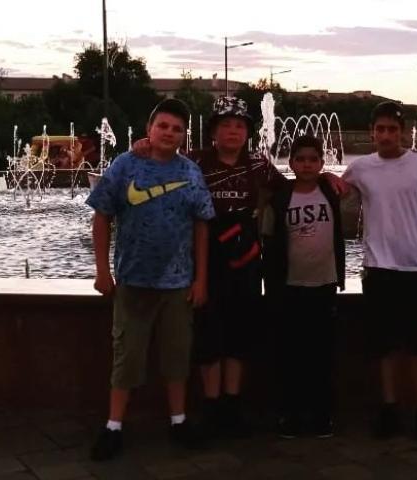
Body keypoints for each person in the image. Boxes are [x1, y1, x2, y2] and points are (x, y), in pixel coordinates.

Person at [131, 96, 346, 438]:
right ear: (213, 130)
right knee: (208, 335)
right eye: (225, 125)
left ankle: (231, 405)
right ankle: (211, 405)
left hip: (245, 263)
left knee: (239, 333)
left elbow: (296, 186)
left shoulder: (259, 165)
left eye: (240, 125)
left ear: (248, 132)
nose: (233, 131)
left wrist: (326, 177)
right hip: (204, 260)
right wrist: (143, 146)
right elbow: (159, 159)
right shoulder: (194, 161)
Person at [87, 98, 215, 460]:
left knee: (177, 356)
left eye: (177, 129)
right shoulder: (125, 165)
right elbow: (101, 216)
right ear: (149, 129)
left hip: (178, 285)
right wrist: (102, 270)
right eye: (163, 126)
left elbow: (201, 225)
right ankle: (113, 426)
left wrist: (201, 280)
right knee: (126, 356)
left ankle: (178, 421)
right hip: (133, 282)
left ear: (184, 135)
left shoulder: (190, 172)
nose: (169, 133)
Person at [341, 102, 417, 447]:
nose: (386, 135)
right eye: (380, 129)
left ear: (402, 132)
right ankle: (389, 408)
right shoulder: (360, 168)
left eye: (392, 129)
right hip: (379, 271)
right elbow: (334, 193)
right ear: (372, 132)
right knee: (383, 344)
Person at [261, 135, 345, 440]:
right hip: (290, 287)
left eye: (313, 160)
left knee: (321, 353)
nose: (307, 165)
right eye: (301, 159)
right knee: (290, 353)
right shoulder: (280, 198)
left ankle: (321, 414)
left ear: (322, 163)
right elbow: (268, 240)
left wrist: (330, 176)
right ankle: (290, 413)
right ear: (291, 163)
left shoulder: (330, 192)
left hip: (324, 285)